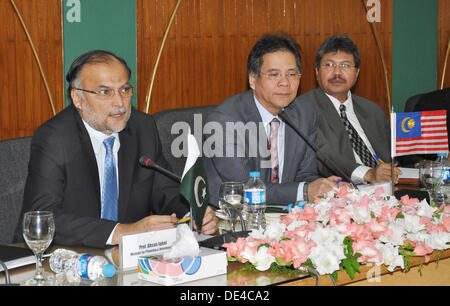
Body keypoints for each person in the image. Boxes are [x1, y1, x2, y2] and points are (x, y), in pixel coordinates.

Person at [15, 50, 217, 248]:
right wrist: (121, 231)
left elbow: (165, 190)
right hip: (63, 255)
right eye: (105, 92)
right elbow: (41, 216)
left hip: (129, 257)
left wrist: (192, 214)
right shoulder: (55, 137)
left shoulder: (142, 127)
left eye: (124, 90)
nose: (120, 103)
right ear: (77, 98)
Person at [203, 34, 341, 207]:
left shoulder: (304, 113)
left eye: (292, 74)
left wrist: (322, 187)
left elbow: (306, 175)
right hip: (233, 216)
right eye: (274, 74)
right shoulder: (224, 121)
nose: (284, 83)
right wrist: (305, 190)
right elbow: (245, 188)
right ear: (253, 79)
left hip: (286, 214)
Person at [300, 34, 401, 185]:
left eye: (345, 65)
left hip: (387, 186)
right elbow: (321, 156)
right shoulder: (303, 108)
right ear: (316, 72)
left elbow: (391, 156)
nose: (337, 73)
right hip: (341, 190)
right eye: (329, 65)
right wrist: (368, 173)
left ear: (357, 73)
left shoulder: (373, 111)